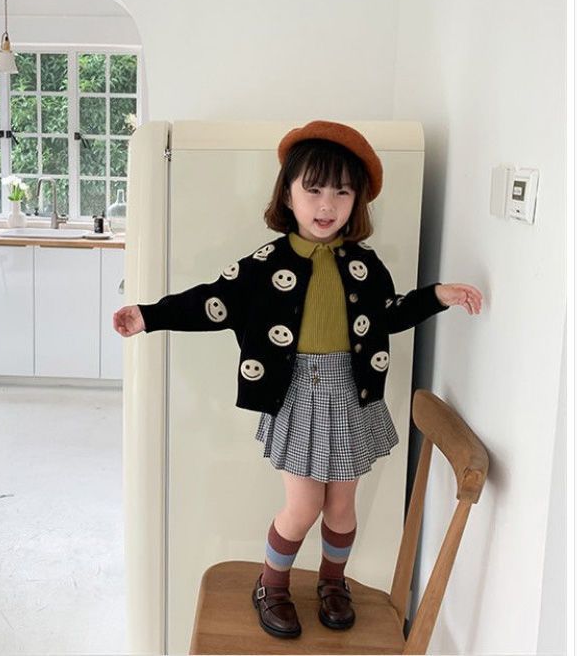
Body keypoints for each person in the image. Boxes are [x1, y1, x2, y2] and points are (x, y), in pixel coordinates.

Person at [112, 120, 483, 640]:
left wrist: (437, 296)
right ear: (287, 194)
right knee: (304, 505)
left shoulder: (364, 265)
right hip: (296, 394)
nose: (327, 204)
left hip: (351, 395)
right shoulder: (266, 264)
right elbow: (213, 301)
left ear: (357, 201)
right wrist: (150, 315)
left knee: (342, 506)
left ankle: (332, 582)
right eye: (313, 189)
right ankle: (272, 584)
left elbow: (390, 314)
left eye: (342, 192)